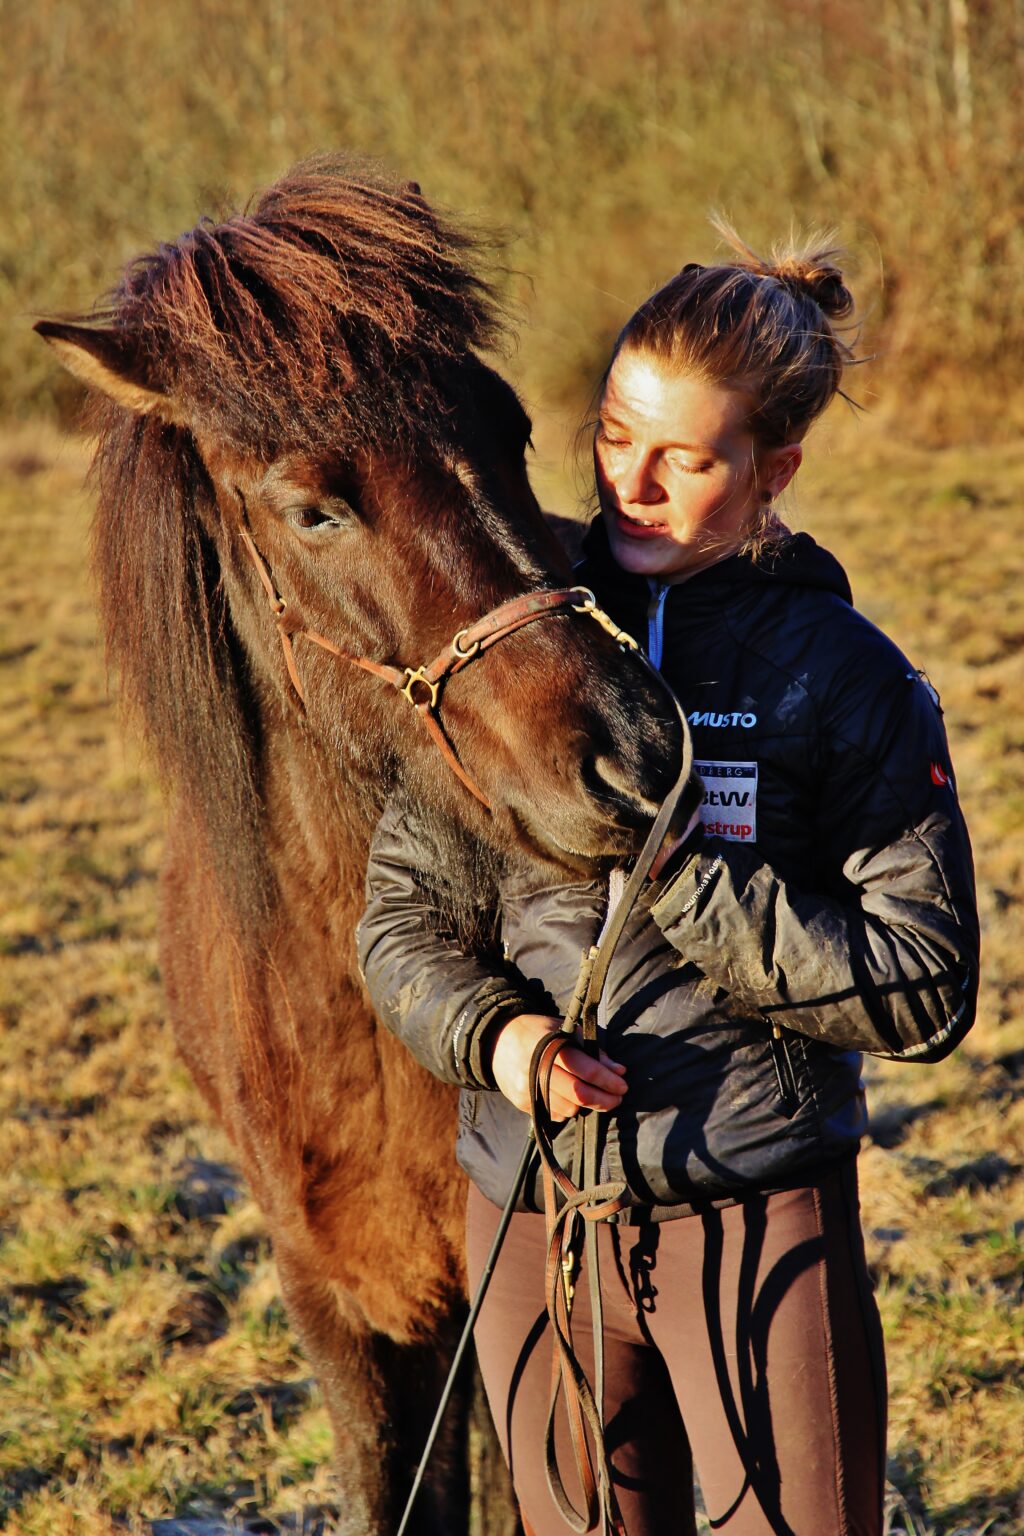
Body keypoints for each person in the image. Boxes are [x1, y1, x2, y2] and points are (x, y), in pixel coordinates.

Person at [356, 226, 979, 1536]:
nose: (631, 484)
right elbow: (401, 921)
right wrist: (501, 1039)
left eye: (687, 459)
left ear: (774, 469)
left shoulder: (845, 679)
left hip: (753, 1218)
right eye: (614, 436)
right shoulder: (510, 633)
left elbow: (924, 988)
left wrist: (680, 872)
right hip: (532, 1217)